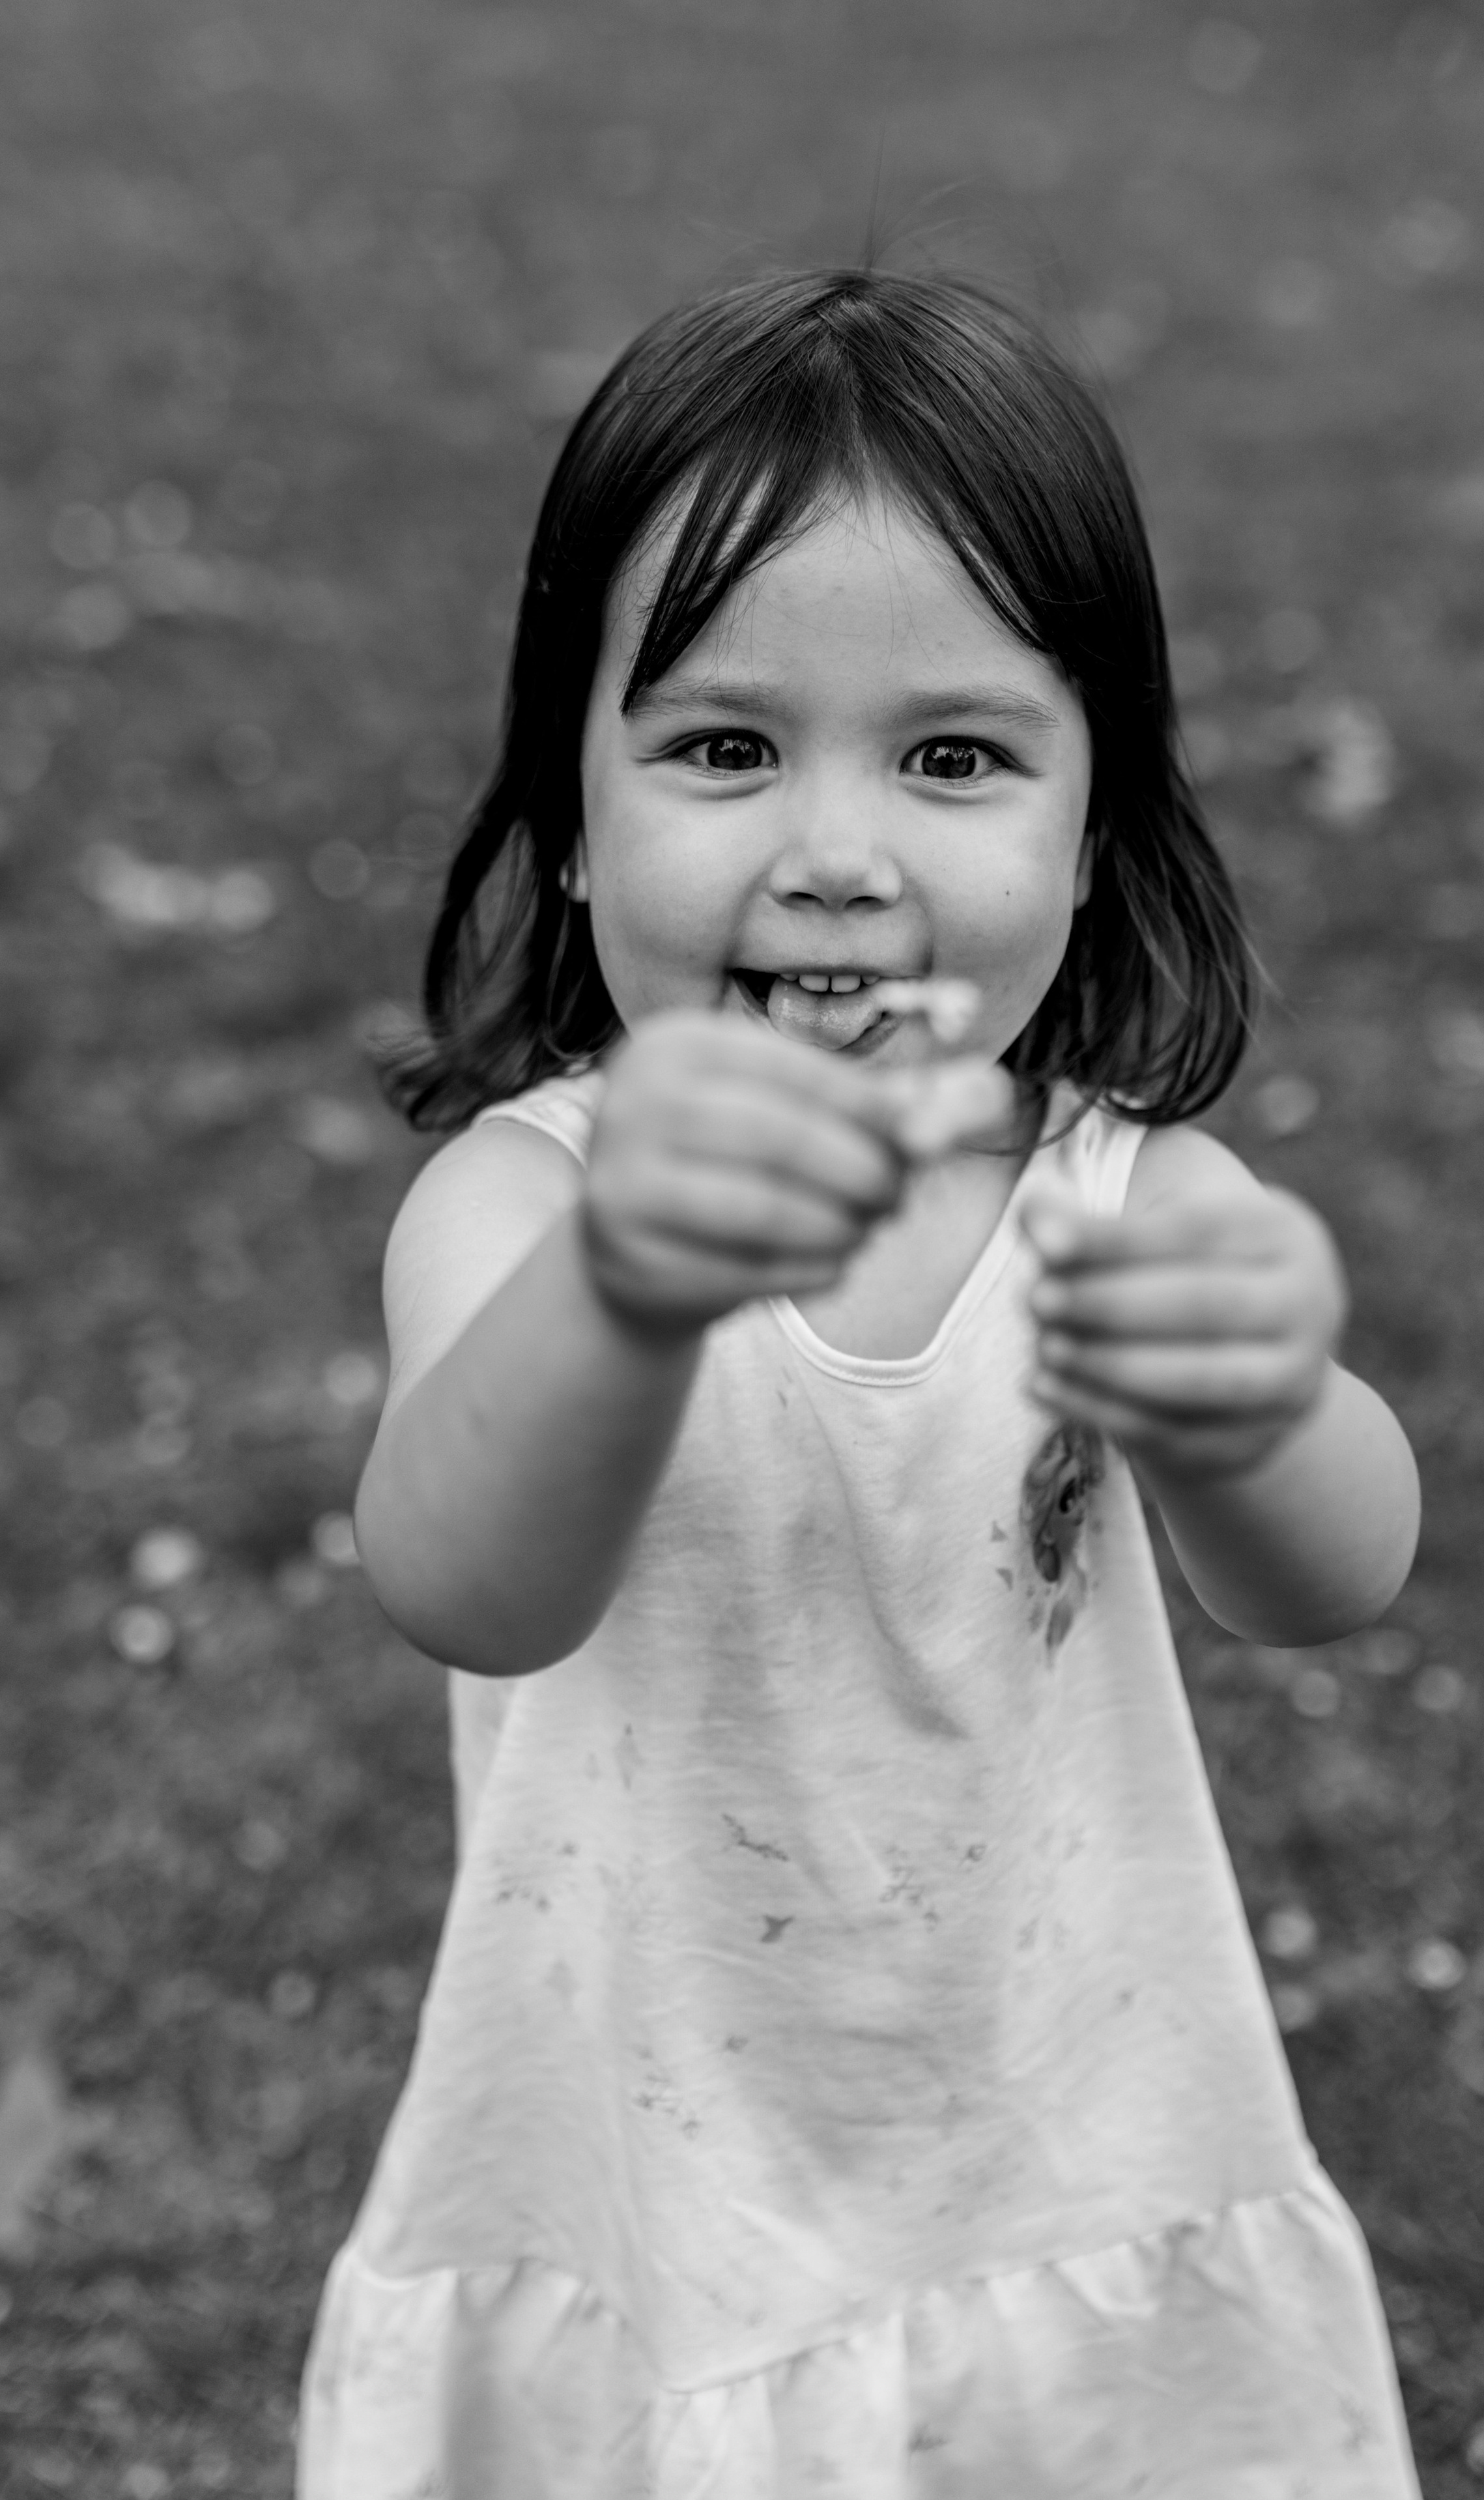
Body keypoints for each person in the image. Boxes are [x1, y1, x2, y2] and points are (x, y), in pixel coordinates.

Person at [297, 268, 1423, 2497]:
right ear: (574, 813)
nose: (837, 852)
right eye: (723, 747)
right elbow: (464, 1580)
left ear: (1089, 829)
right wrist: (631, 1293)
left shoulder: (1119, 1195)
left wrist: (1260, 1401)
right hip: (651, 2157)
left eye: (954, 758)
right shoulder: (526, 1211)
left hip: (1075, 2128)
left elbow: (1334, 1579)